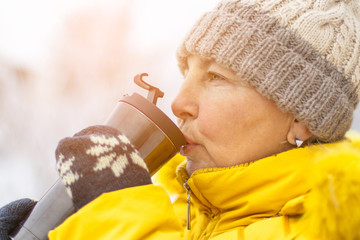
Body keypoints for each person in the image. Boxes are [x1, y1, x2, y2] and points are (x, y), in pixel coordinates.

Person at [1, 0, 360, 239]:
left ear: (301, 118)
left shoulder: (335, 225)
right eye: (186, 71)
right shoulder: (184, 215)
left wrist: (114, 206)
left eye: (216, 77)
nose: (179, 102)